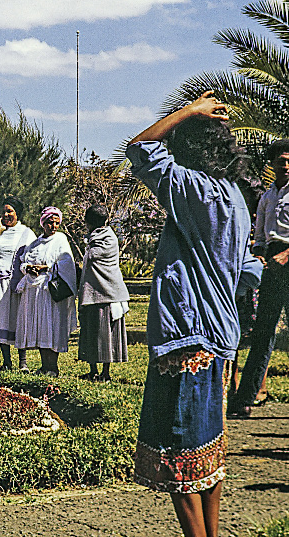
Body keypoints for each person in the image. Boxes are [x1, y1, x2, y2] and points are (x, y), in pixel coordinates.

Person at [128, 91, 251, 537]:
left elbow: (140, 150)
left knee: (180, 462)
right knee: (208, 458)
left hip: (188, 338)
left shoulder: (196, 190)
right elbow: (248, 269)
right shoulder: (235, 198)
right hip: (219, 337)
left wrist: (186, 112)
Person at [231, 139, 289, 417]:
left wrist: (287, 254)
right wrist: (260, 256)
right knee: (263, 332)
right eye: (281, 161)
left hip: (287, 256)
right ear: (272, 163)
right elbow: (260, 235)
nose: (285, 165)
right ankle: (246, 398)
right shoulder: (267, 196)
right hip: (272, 264)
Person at [14, 206, 77, 376]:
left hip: (50, 290)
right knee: (42, 328)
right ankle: (44, 366)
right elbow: (23, 261)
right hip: (35, 290)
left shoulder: (61, 239)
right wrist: (29, 268)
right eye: (50, 222)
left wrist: (46, 267)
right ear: (43, 223)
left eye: (56, 223)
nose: (53, 226)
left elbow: (66, 263)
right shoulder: (35, 243)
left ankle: (53, 367)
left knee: (52, 326)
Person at [0, 196, 36, 371]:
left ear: (17, 213)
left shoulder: (26, 233)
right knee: (1, 321)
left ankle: (23, 362)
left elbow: (32, 255)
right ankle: (6, 362)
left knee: (18, 320)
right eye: (3, 212)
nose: (6, 215)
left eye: (10, 211)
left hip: (16, 284)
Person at [77, 204, 130, 382]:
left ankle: (105, 372)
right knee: (90, 333)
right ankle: (93, 370)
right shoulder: (95, 237)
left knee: (107, 336)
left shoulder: (107, 238)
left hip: (107, 292)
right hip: (93, 292)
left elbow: (94, 256)